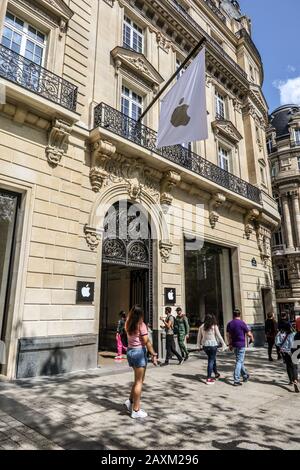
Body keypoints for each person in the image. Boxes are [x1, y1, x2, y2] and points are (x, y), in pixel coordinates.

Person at [125, 305, 158, 419]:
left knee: (137, 380)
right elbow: (146, 341)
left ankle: (129, 401)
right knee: (139, 382)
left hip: (130, 352)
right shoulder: (141, 325)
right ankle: (136, 410)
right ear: (141, 315)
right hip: (139, 353)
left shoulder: (128, 324)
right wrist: (153, 353)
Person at [226, 309, 254, 386]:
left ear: (233, 315)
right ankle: (236, 380)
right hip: (241, 344)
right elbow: (248, 333)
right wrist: (252, 337)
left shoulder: (230, 324)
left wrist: (230, 344)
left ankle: (245, 376)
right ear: (239, 315)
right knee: (239, 361)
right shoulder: (242, 323)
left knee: (239, 360)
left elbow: (228, 335)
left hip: (234, 345)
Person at [197, 314, 227, 385]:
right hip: (213, 345)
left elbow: (199, 337)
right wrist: (224, 344)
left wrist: (198, 345)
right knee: (211, 360)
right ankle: (209, 378)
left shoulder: (201, 326)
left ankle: (216, 374)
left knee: (213, 359)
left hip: (205, 346)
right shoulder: (214, 326)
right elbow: (219, 336)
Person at [279, 323, 298, 393]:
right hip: (294, 352)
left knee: (288, 365)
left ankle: (291, 380)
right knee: (295, 366)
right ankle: (295, 380)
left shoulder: (280, 334)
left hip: (285, 352)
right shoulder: (295, 334)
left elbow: (277, 342)